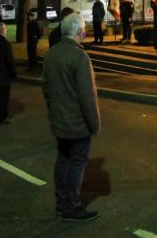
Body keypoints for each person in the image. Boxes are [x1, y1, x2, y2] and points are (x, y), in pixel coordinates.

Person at [42, 13, 101, 222]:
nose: (85, 32)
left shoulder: (51, 54)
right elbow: (87, 96)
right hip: (77, 123)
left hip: (59, 120)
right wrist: (94, 124)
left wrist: (53, 110)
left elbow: (47, 89)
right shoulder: (79, 56)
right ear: (79, 32)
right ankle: (72, 207)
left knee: (63, 159)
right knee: (77, 162)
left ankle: (61, 203)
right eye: (84, 29)